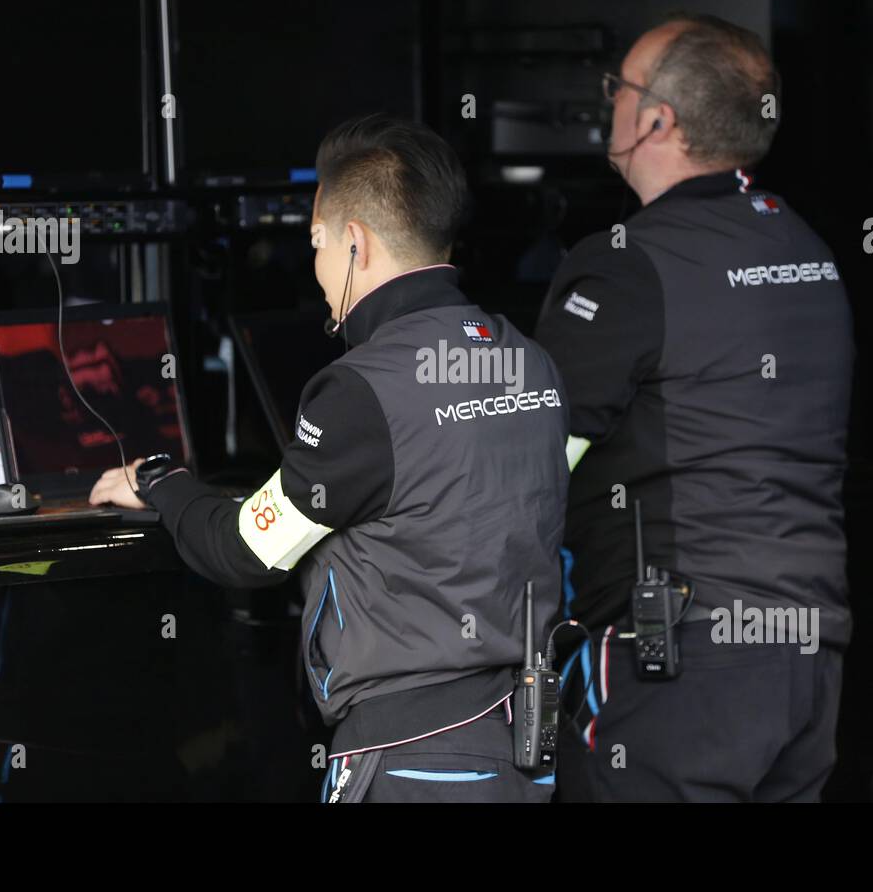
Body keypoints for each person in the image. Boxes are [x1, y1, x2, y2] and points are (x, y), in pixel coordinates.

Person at [91, 114, 570, 802]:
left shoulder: (362, 390)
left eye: (315, 243)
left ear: (353, 242)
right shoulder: (527, 358)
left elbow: (245, 552)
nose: (315, 271)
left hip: (412, 758)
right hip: (521, 742)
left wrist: (162, 483)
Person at [534, 14, 855, 801]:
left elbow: (529, 463)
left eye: (621, 88)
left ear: (657, 120)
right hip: (807, 653)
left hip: (680, 661)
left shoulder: (624, 266)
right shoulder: (807, 249)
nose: (608, 101)